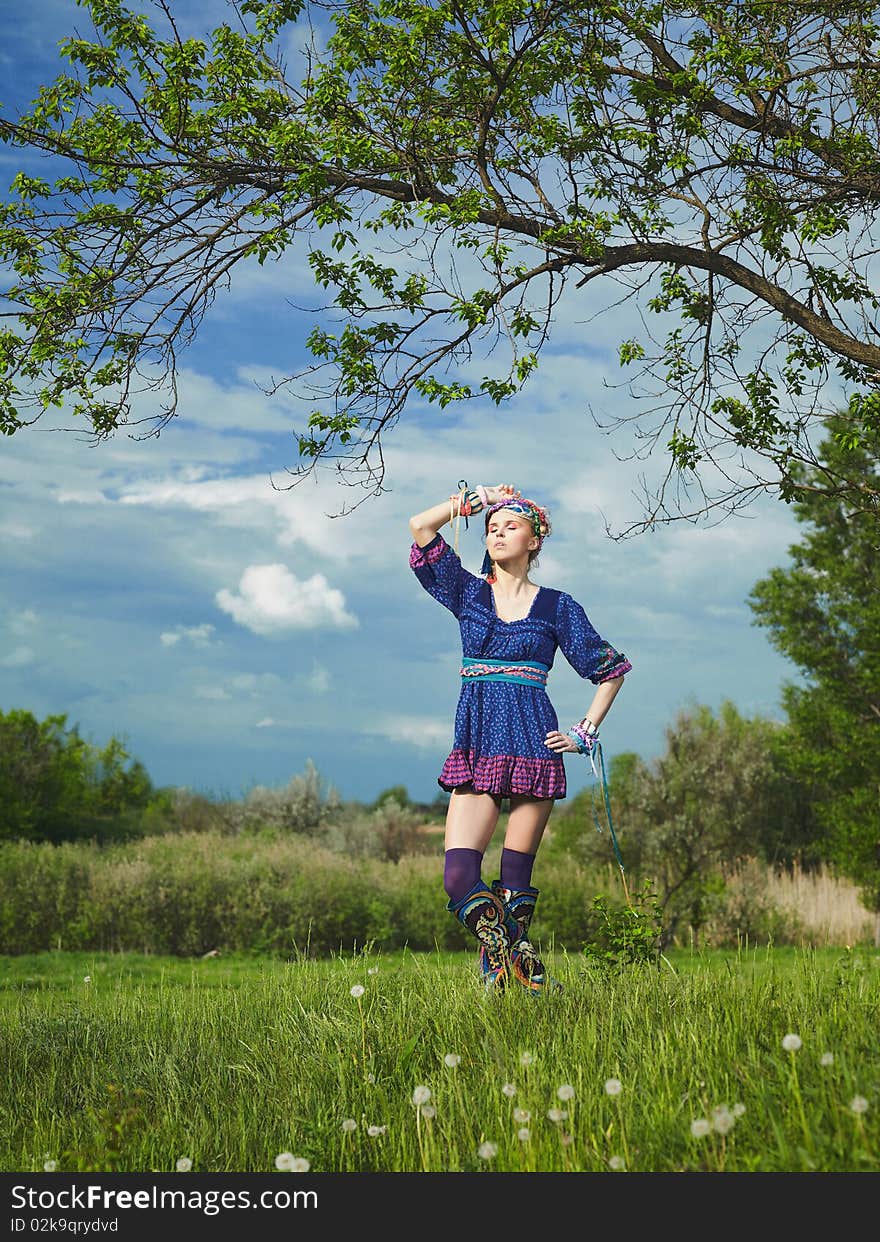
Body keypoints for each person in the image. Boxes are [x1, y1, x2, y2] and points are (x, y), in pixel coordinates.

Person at [408, 481, 632, 993]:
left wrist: (584, 732)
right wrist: (473, 500)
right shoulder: (467, 593)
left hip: (534, 743)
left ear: (535, 540)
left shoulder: (557, 607)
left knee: (515, 885)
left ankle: (514, 992)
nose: (497, 533)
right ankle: (525, 967)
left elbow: (610, 669)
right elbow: (421, 527)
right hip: (478, 740)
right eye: (491, 528)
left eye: (511, 526)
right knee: (459, 878)